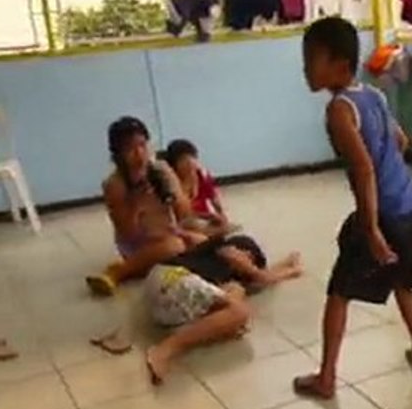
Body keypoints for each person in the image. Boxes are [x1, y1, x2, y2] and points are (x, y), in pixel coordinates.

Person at [294, 16, 412, 399]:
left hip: (383, 215)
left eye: (312, 59)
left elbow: (364, 169)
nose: (305, 68)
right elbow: (400, 141)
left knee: (339, 291)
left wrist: (370, 229)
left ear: (339, 65)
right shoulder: (374, 95)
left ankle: (326, 378)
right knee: (402, 281)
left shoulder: (339, 110)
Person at [144, 234, 303, 383]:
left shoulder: (225, 276)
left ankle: (203, 331)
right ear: (245, 252)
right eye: (250, 260)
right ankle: (165, 350)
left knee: (236, 297)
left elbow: (261, 278)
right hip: (173, 277)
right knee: (240, 311)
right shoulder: (226, 249)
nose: (247, 268)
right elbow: (261, 276)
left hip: (166, 299)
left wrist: (286, 264)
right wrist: (292, 270)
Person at [86, 117, 204, 296]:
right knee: (175, 246)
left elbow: (184, 215)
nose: (139, 153)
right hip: (140, 245)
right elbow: (127, 232)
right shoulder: (115, 185)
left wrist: (182, 187)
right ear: (118, 155)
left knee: (206, 237)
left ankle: (166, 260)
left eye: (142, 145)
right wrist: (137, 203)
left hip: (170, 233)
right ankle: (120, 271)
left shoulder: (161, 169)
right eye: (130, 149)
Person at [160, 138, 233, 235]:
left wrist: (221, 215)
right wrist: (208, 216)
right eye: (183, 160)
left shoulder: (202, 175)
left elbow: (214, 200)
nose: (190, 163)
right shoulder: (172, 182)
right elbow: (181, 214)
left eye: (192, 158)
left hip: (205, 220)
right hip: (185, 224)